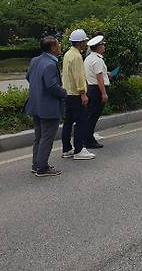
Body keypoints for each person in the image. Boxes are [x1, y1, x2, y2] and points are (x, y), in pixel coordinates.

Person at [25, 36, 67, 177]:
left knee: (39, 136)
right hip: (48, 107)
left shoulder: (35, 60)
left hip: (36, 104)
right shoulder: (50, 64)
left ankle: (36, 164)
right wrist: (64, 93)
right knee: (46, 137)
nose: (60, 45)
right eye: (58, 44)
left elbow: (28, 77)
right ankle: (42, 167)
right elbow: (52, 86)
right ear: (53, 48)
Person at [61, 29, 95, 160]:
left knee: (68, 122)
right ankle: (79, 150)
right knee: (81, 121)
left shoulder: (68, 54)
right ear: (81, 42)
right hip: (76, 94)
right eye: (85, 41)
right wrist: (83, 93)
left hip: (67, 93)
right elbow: (79, 77)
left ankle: (67, 149)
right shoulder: (77, 56)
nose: (85, 44)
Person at [84, 35, 110, 149]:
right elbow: (99, 78)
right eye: (103, 44)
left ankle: (88, 138)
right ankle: (88, 140)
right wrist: (104, 93)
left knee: (90, 115)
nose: (104, 46)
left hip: (90, 88)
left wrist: (106, 74)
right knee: (93, 116)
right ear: (99, 47)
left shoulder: (89, 58)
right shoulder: (98, 59)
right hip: (96, 90)